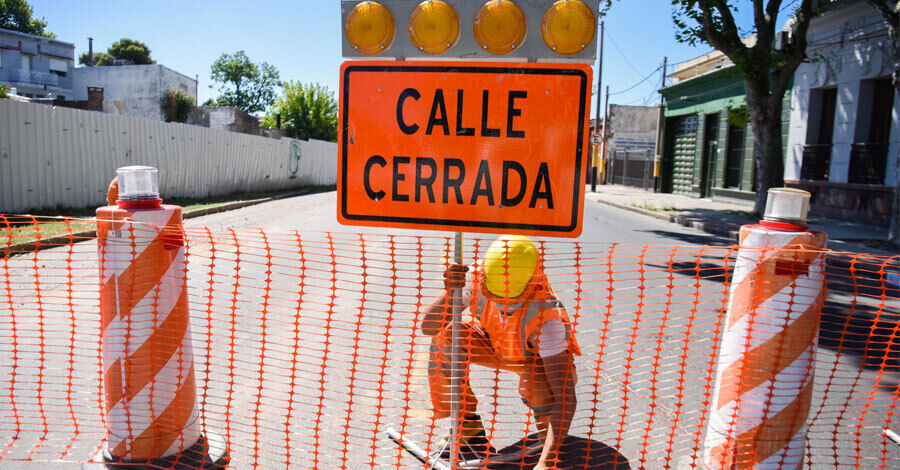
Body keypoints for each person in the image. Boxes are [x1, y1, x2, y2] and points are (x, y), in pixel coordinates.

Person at [420, 235, 580, 469]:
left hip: (533, 359)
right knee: (446, 334)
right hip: (493, 342)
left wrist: (547, 462)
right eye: (496, 298)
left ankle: (549, 443)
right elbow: (428, 327)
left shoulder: (548, 315)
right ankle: (469, 430)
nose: (504, 306)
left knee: (539, 390)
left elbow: (566, 397)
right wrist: (451, 292)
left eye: (513, 300)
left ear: (530, 286)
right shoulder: (477, 277)